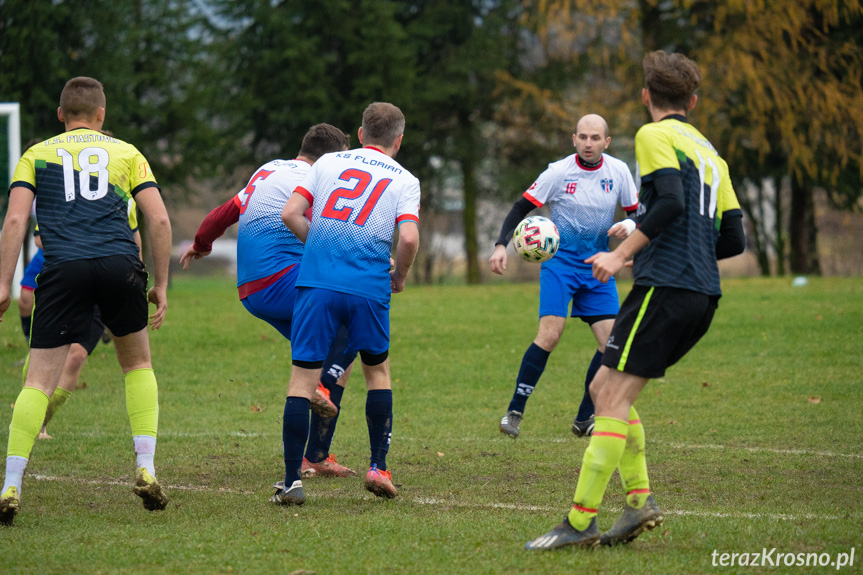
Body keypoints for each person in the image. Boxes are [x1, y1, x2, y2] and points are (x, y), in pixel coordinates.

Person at [525, 51, 745, 550]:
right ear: (692, 99)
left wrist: (621, 252)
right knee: (606, 387)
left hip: (665, 288)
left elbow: (669, 200)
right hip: (700, 292)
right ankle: (638, 502)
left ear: (646, 96)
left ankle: (580, 522)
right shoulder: (711, 153)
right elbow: (732, 240)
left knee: (612, 396)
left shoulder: (654, 135)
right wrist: (666, 244)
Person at [0, 77, 173, 526]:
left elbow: (16, 217)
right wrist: (161, 284)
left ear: (61, 115)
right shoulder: (128, 153)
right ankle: (146, 468)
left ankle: (11, 484)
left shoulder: (36, 155)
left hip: (63, 269)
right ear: (101, 115)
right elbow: (158, 218)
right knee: (137, 365)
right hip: (120, 265)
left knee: (37, 379)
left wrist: (3, 282)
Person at [179, 123, 359, 478]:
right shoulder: (318, 179)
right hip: (282, 282)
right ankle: (318, 397)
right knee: (353, 322)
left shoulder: (268, 170)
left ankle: (315, 457)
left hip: (251, 290)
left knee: (332, 357)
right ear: (332, 158)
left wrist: (201, 244)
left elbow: (222, 214)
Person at [276, 102, 420, 505]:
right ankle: (378, 465)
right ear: (399, 140)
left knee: (303, 379)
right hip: (368, 289)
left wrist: (321, 248)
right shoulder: (406, 180)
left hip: (317, 283)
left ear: (360, 134)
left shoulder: (326, 164)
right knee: (377, 373)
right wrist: (400, 277)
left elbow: (291, 213)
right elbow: (408, 239)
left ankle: (291, 482)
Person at [490, 114, 639, 439]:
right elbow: (520, 208)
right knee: (550, 335)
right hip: (560, 265)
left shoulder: (619, 171)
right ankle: (515, 411)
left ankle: (585, 417)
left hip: (599, 265)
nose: (588, 143)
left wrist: (629, 226)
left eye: (595, 138)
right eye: (583, 137)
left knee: (610, 344)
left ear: (606, 142)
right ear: (574, 139)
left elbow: (637, 214)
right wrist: (502, 245)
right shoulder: (558, 172)